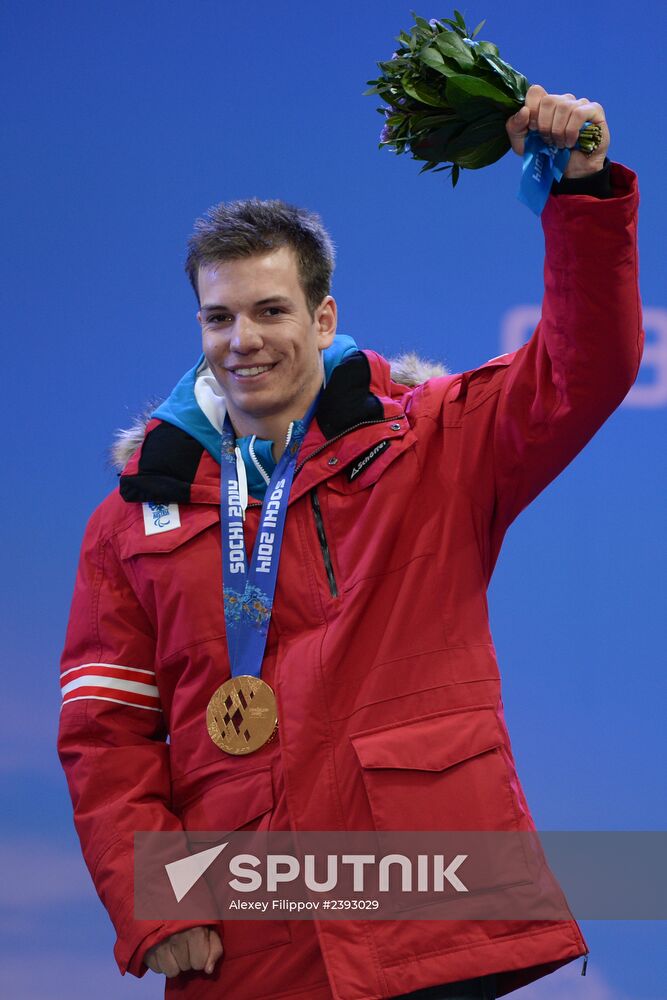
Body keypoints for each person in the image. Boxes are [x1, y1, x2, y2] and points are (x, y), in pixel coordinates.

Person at [58, 85, 643, 1000]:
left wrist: (581, 193)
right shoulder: (133, 521)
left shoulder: (434, 445)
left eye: (270, 311)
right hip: (247, 937)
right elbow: (106, 736)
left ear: (323, 320)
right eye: (219, 318)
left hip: (425, 915)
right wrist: (159, 906)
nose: (243, 341)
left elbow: (585, 369)